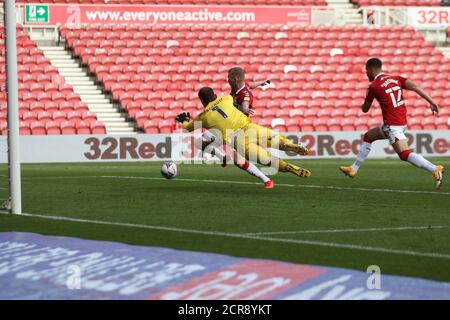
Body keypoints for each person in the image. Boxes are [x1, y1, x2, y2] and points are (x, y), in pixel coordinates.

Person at [339, 58, 444, 189]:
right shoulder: (396, 78)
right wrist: (432, 102)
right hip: (399, 122)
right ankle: (353, 168)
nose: (366, 74)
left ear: (371, 69)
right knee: (368, 136)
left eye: (366, 70)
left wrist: (366, 98)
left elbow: (365, 109)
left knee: (404, 154)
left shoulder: (374, 86)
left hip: (393, 126)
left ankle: (434, 169)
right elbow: (416, 87)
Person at [176, 87, 311, 180]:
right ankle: (290, 145)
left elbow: (187, 128)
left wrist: (184, 120)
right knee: (276, 140)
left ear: (202, 101)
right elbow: (233, 98)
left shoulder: (203, 117)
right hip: (250, 128)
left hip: (239, 141)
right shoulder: (226, 99)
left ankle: (290, 167)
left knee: (268, 159)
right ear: (215, 95)